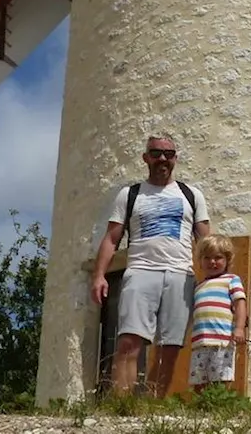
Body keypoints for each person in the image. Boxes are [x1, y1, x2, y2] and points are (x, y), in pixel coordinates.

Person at [90, 133, 211, 396]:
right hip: (141, 271)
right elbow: (112, 238)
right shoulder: (130, 194)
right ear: (146, 158)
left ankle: (153, 412)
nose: (162, 159)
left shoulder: (192, 195)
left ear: (175, 158)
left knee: (170, 348)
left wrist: (216, 279)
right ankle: (121, 407)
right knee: (129, 342)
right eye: (156, 153)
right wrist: (99, 275)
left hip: (180, 274)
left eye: (168, 154)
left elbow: (206, 240)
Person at [188, 234, 247, 393]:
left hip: (221, 340)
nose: (212, 262)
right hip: (201, 341)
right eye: (207, 258)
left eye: (218, 257)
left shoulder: (231, 280)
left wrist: (239, 328)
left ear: (227, 260)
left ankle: (219, 406)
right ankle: (200, 409)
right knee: (199, 379)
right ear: (200, 261)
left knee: (220, 377)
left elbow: (240, 303)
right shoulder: (199, 286)